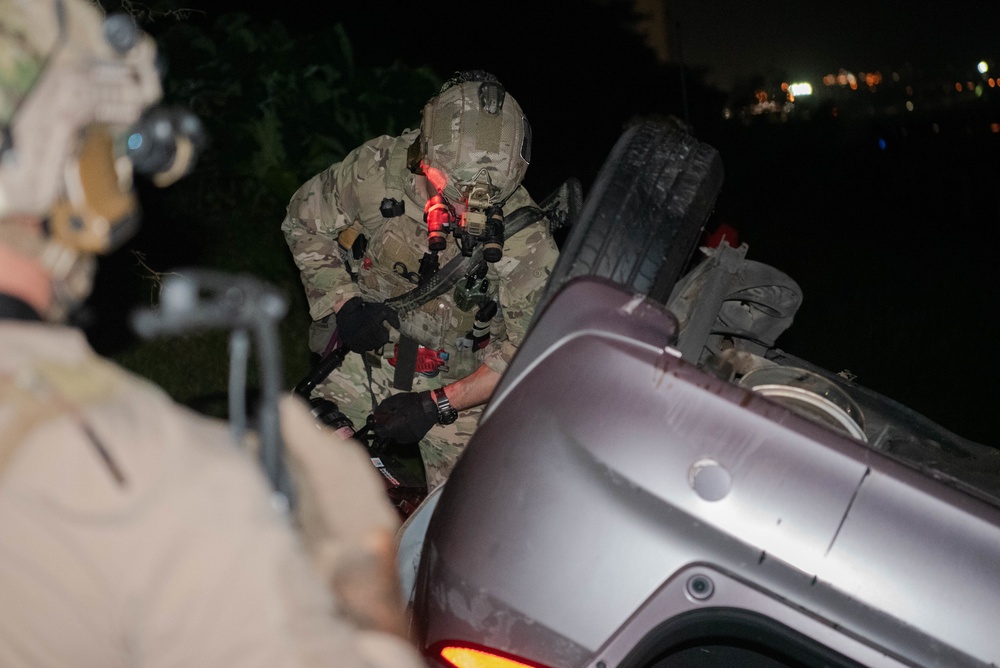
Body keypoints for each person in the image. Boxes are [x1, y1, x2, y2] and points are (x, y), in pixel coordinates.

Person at [0, 1, 423, 666]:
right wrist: (362, 566)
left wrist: (438, 404)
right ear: (85, 175)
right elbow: (305, 221)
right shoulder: (154, 489)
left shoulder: (516, 233)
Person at [282, 71, 559, 491]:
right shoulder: (377, 173)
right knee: (286, 467)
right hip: (370, 357)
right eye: (456, 189)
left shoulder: (527, 240)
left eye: (488, 196)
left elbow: (527, 353)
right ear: (427, 156)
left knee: (465, 528)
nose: (472, 207)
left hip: (462, 385)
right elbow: (303, 221)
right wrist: (343, 303)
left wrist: (437, 405)